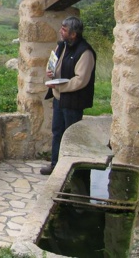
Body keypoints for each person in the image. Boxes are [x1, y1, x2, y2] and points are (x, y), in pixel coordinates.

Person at [41, 16, 96, 175]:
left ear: (73, 34)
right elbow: (53, 63)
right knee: (57, 132)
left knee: (71, 137)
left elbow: (81, 80)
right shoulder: (62, 46)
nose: (60, 31)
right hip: (59, 99)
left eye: (64, 30)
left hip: (73, 102)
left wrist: (59, 86)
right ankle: (55, 166)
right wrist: (49, 71)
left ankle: (71, 170)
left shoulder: (85, 52)